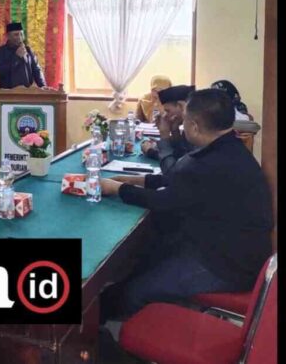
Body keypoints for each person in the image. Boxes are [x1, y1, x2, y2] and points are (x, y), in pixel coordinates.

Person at [98, 88, 273, 322]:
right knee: (147, 257)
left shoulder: (209, 163)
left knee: (135, 291)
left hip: (226, 266)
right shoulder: (228, 147)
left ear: (194, 126)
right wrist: (135, 180)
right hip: (226, 247)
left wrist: (116, 189)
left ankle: (112, 328)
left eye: (185, 121)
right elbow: (182, 182)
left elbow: (164, 201)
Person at [140, 84, 195, 174]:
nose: (165, 115)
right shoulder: (189, 125)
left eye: (167, 111)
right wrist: (174, 130)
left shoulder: (195, 128)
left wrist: (164, 136)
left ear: (181, 106)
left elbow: (172, 172)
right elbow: (181, 154)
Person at [0, 22, 46, 89]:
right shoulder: (0, 52)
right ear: (8, 36)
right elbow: (1, 71)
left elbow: (37, 70)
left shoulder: (28, 50)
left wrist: (43, 86)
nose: (20, 37)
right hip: (7, 92)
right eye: (16, 35)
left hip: (27, 92)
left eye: (21, 34)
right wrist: (16, 57)